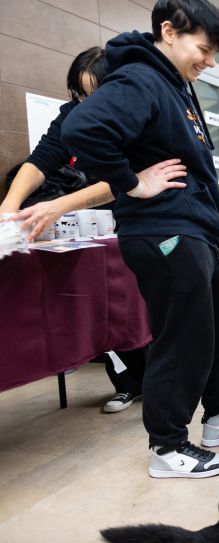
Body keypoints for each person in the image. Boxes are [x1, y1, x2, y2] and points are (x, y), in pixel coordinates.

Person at [62, 0, 219, 479]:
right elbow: (83, 128)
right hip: (162, 231)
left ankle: (217, 421)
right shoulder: (139, 78)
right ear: (168, 31)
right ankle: (168, 449)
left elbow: (198, 173)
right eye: (204, 50)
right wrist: (132, 182)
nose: (209, 63)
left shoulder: (178, 88)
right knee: (184, 339)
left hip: (195, 232)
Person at [0, 47, 162, 414]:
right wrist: (8, 207)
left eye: (96, 94)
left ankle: (160, 385)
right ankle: (127, 383)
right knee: (102, 305)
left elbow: (125, 180)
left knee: (139, 305)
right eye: (81, 94)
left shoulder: (137, 116)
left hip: (142, 220)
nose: (87, 102)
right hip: (94, 223)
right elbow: (40, 160)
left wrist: (59, 205)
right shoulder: (72, 115)